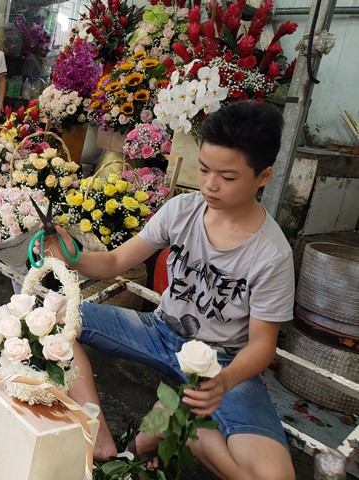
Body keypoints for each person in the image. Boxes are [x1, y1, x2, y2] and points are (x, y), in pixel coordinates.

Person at [39, 102, 296, 480]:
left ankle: (177, 433)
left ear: (264, 177)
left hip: (220, 362)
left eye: (227, 177)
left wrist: (222, 382)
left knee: (275, 477)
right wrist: (71, 255)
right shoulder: (182, 210)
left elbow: (261, 345)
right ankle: (99, 435)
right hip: (159, 331)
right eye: (204, 169)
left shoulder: (271, 254)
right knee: (52, 315)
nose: (209, 184)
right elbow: (113, 262)